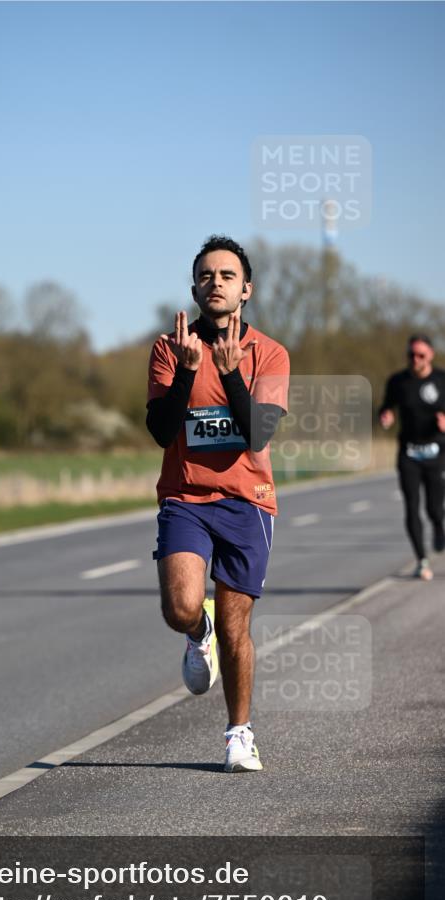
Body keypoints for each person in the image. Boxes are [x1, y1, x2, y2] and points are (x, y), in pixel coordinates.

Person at [146, 235, 289, 773]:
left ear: (246, 290)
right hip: (185, 496)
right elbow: (162, 431)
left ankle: (239, 733)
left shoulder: (270, 354)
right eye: (206, 276)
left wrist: (230, 373)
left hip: (247, 502)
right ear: (194, 288)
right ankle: (193, 630)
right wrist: (188, 369)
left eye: (227, 276)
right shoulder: (169, 347)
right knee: (180, 607)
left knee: (237, 629)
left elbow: (256, 436)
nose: (216, 283)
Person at [379, 335, 445, 581]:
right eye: (411, 355)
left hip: (436, 452)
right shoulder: (398, 381)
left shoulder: (441, 380)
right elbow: (386, 406)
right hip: (408, 452)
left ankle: (439, 526)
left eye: (421, 355)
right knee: (412, 506)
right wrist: (385, 416)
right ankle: (421, 559)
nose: (415, 360)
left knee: (434, 508)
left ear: (430, 356)